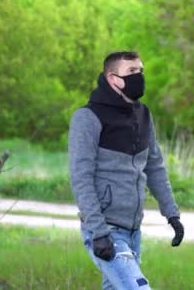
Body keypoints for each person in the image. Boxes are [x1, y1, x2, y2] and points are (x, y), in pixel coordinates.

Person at [68, 51, 184, 289]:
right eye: (132, 72)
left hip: (134, 230)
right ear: (113, 78)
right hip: (105, 229)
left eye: (140, 71)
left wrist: (172, 214)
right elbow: (81, 178)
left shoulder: (143, 114)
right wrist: (98, 231)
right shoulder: (87, 117)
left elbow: (154, 166)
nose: (139, 76)